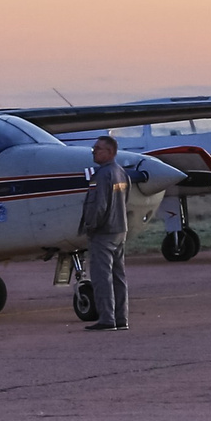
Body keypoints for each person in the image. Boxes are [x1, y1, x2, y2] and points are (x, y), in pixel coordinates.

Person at [80, 137, 132, 330]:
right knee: (119, 276)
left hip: (103, 232)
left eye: (98, 148)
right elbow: (125, 200)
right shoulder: (121, 173)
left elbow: (98, 205)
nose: (94, 151)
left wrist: (90, 226)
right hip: (119, 229)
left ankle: (107, 319)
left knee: (102, 277)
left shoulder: (102, 175)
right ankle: (121, 317)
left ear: (110, 152)